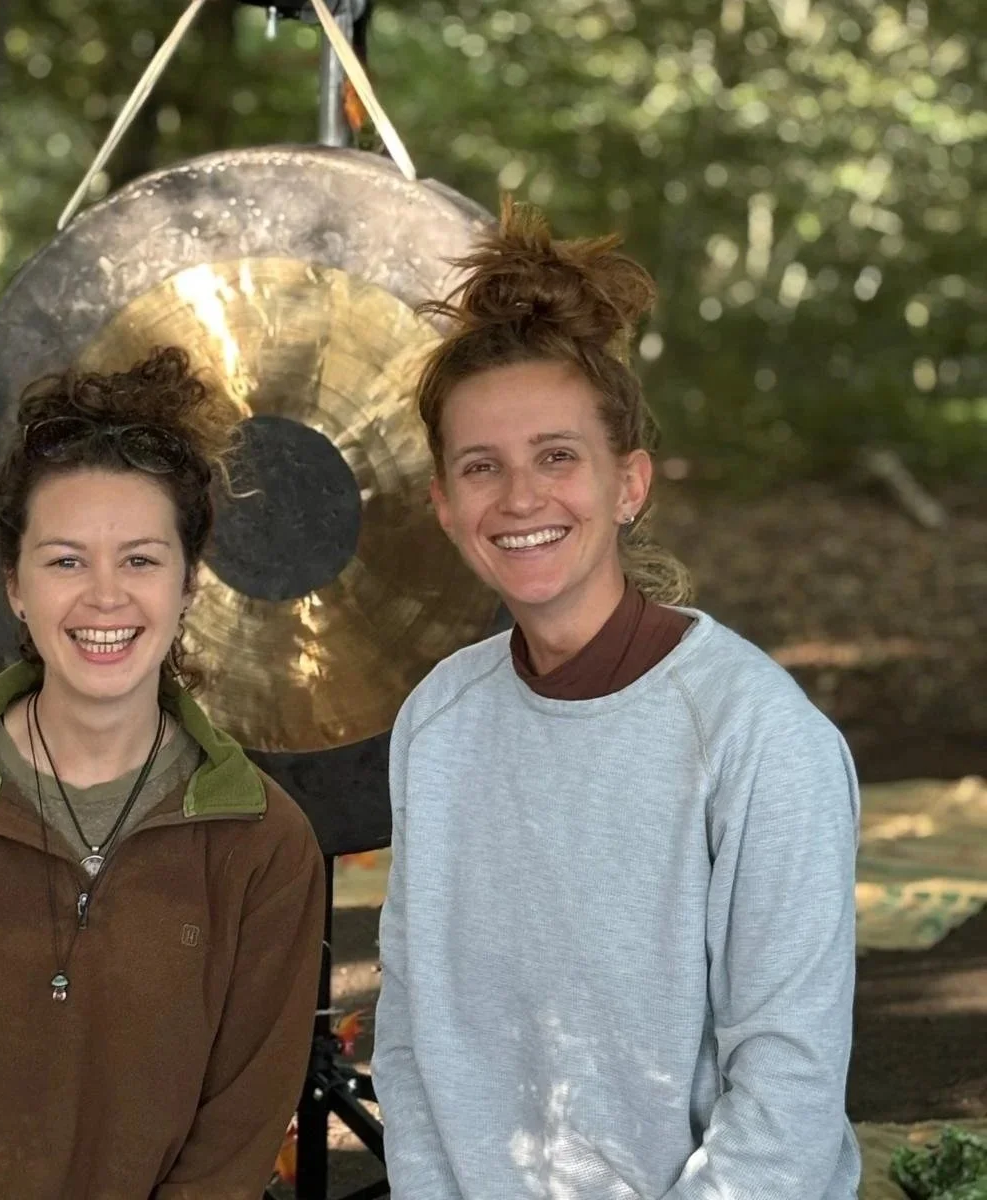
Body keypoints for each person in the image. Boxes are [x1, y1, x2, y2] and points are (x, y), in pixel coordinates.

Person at [371, 200, 861, 1199]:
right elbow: (415, 1043)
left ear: (628, 482)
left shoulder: (756, 737)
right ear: (445, 505)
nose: (520, 497)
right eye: (481, 467)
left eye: (558, 456)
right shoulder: (437, 723)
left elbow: (788, 1097)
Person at [0, 346, 326, 1199]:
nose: (104, 597)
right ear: (14, 584)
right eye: (66, 560)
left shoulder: (263, 844)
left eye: (141, 560)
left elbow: (236, 1133)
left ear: (189, 584)